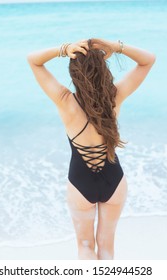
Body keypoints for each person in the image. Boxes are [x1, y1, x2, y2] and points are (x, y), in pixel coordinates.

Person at [27, 38, 155, 259]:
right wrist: (117, 47)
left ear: (74, 74)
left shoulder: (64, 100)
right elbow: (148, 60)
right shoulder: (115, 97)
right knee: (106, 247)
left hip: (80, 182)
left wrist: (63, 49)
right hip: (113, 180)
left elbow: (33, 60)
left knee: (85, 246)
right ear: (104, 70)